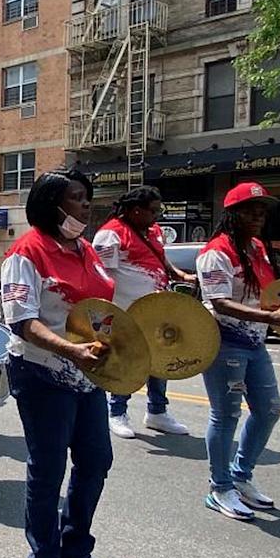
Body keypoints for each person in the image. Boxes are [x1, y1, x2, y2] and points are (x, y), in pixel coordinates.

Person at [0, 168, 122, 558]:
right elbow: (22, 319)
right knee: (48, 468)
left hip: (86, 373)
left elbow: (99, 309)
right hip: (41, 372)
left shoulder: (85, 250)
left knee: (95, 461)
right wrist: (70, 352)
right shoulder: (25, 252)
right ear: (52, 203)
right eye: (76, 197)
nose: (86, 204)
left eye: (88, 196)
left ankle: (75, 554)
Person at [196, 182, 280, 521]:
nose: (259, 216)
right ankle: (220, 487)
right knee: (226, 415)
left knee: (270, 409)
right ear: (233, 214)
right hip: (225, 342)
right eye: (251, 210)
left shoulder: (257, 247)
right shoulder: (216, 252)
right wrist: (269, 317)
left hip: (255, 343)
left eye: (262, 210)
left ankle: (240, 477)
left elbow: (269, 293)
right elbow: (220, 302)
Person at [92, 185, 197, 439]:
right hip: (126, 311)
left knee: (160, 358)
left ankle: (157, 413)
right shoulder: (110, 235)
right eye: (153, 210)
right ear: (135, 211)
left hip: (155, 310)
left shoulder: (154, 231)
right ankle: (116, 412)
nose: (157, 215)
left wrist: (179, 274)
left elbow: (161, 258)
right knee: (127, 362)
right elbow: (100, 276)